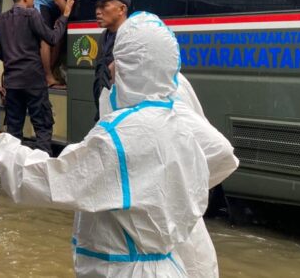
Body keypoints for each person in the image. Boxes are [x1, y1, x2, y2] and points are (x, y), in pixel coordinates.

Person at [0, 12, 211, 277]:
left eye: (118, 59)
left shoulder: (123, 135)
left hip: (125, 270)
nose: (110, 68)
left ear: (134, 66)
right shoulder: (180, 123)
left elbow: (55, 178)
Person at [98, 69, 239, 278]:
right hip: (163, 242)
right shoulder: (150, 86)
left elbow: (221, 153)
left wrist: (175, 190)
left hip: (177, 239)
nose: (111, 66)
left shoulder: (163, 94)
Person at [0, 0, 75, 155]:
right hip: (33, 80)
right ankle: (41, 164)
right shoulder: (32, 14)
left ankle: (11, 166)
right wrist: (65, 16)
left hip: (12, 82)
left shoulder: (1, 19)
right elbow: (52, 38)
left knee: (14, 129)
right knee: (42, 125)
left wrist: (12, 59)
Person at [87, 0, 130, 120]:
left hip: (122, 116)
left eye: (104, 6)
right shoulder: (104, 36)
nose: (97, 11)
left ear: (121, 9)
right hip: (105, 113)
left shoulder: (131, 38)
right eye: (96, 7)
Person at [34, 0, 70, 87]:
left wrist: (62, 18)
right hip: (40, 3)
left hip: (52, 8)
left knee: (57, 37)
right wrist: (67, 18)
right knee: (46, 39)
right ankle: (48, 77)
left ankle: (50, 72)